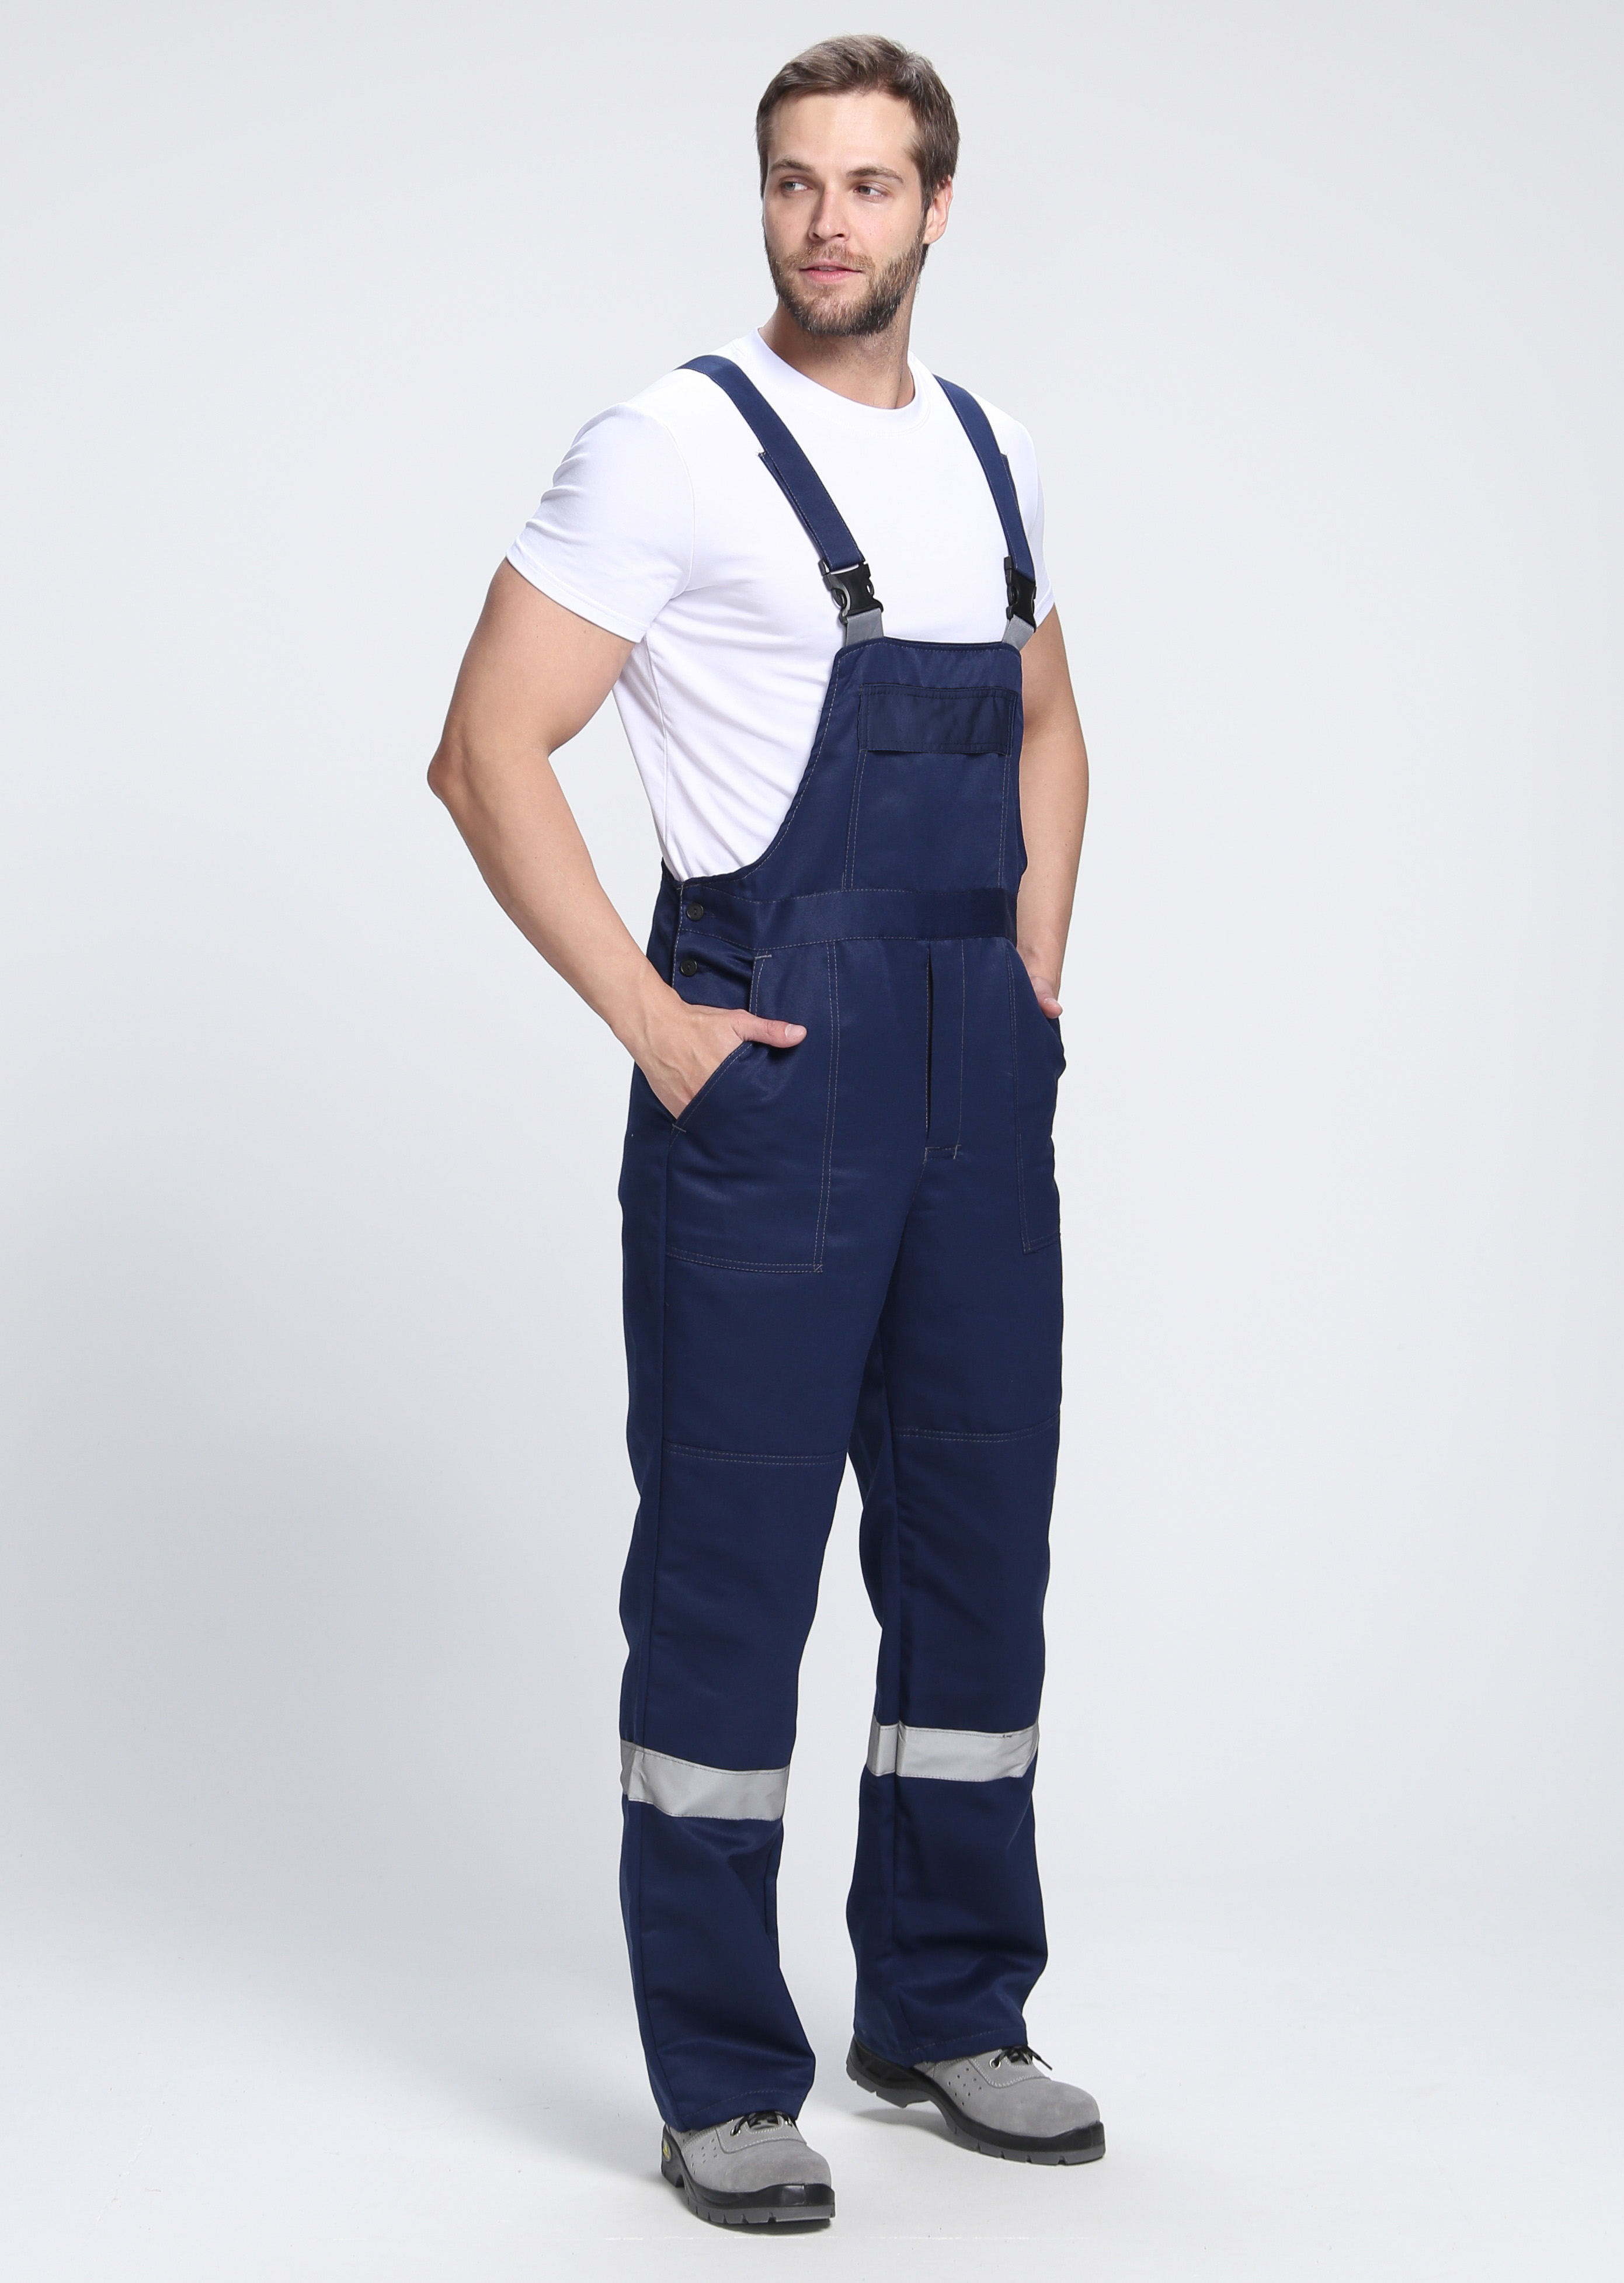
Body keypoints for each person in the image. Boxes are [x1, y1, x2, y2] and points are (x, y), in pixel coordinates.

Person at [428, 34, 1097, 2231]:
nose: (831, 220)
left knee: (977, 1552)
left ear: (935, 210)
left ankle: (946, 2007)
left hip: (974, 1080)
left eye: (871, 184)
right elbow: (485, 750)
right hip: (775, 1078)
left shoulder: (988, 452)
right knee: (730, 1576)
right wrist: (660, 1029)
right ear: (764, 204)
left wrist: (1031, 975)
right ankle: (724, 2076)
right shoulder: (669, 448)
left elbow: (1048, 725)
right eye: (797, 182)